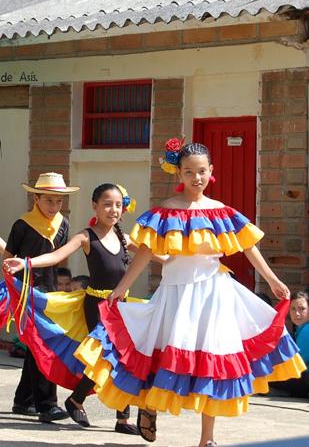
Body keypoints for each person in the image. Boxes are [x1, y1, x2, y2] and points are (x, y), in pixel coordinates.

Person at [57, 141, 304, 447]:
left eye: (202, 171)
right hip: (175, 293)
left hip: (214, 293)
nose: (196, 177)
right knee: (160, 354)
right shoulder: (166, 211)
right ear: (180, 173)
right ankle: (148, 406)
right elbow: (145, 252)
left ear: (210, 171)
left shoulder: (221, 212)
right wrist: (120, 289)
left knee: (211, 363)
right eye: (189, 172)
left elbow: (248, 246)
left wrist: (272, 279)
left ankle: (207, 439)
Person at [3, 183, 155, 434]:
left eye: (118, 205)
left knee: (125, 359)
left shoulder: (125, 239)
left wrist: (190, 255)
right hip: (96, 306)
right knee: (107, 356)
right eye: (107, 204)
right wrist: (25, 263)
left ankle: (121, 418)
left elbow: (155, 254)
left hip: (122, 306)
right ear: (95, 206)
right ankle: (77, 399)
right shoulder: (86, 237)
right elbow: (56, 256)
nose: (113, 209)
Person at [2, 172, 79, 422]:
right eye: (48, 200)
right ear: (36, 198)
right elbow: (8, 258)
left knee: (38, 347)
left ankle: (23, 401)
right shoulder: (22, 225)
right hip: (25, 293)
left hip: (50, 293)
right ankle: (47, 405)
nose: (54, 206)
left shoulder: (63, 225)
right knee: (43, 347)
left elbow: (58, 258)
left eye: (58, 201)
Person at [269, 291, 309, 398]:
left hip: (306, 378)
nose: (297, 313)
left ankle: (288, 393)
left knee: (267, 377)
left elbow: (300, 363)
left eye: (302, 309)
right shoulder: (301, 329)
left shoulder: (306, 330)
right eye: (293, 309)